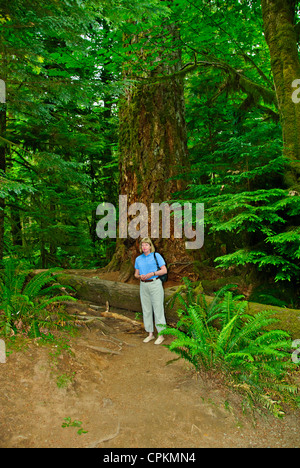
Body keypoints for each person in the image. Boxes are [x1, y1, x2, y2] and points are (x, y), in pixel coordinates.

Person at [134, 237, 167, 344]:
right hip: (143, 285)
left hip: (155, 283)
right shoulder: (138, 259)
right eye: (142, 245)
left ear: (150, 246)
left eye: (146, 245)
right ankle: (150, 334)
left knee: (158, 309)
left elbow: (164, 270)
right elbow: (135, 274)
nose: (144, 247)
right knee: (146, 309)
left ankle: (161, 335)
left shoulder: (156, 256)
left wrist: (152, 274)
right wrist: (140, 276)